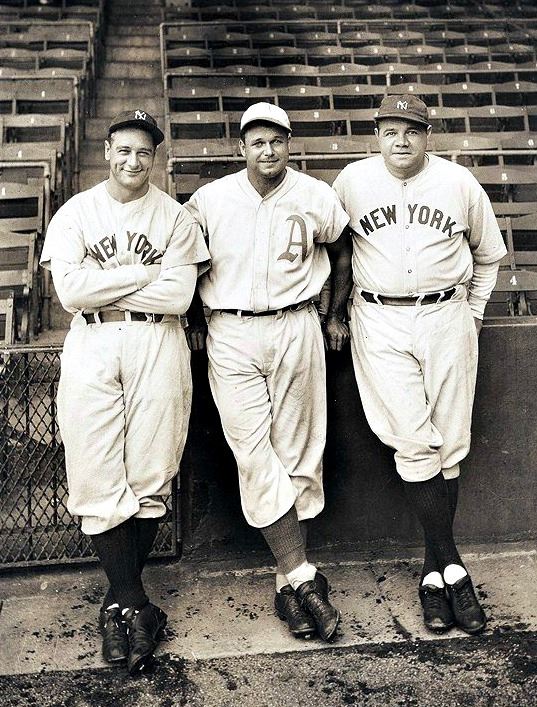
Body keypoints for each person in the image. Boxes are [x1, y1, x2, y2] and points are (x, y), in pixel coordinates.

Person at [40, 109, 210, 674]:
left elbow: (180, 296)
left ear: (154, 157)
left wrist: (107, 282)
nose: (132, 161)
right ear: (107, 151)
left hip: (157, 341)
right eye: (123, 150)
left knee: (150, 472)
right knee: (95, 471)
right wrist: (143, 275)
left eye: (143, 152)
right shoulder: (76, 212)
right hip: (91, 342)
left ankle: (119, 607)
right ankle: (136, 603)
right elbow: (70, 291)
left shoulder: (176, 217)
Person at [331, 94, 506, 635]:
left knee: (449, 444)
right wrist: (336, 312)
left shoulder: (459, 184)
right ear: (376, 134)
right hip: (379, 318)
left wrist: (470, 315)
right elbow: (335, 253)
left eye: (411, 130)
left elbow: (488, 256)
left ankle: (434, 574)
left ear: (428, 135)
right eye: (390, 129)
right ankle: (452, 562)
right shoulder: (352, 183)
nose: (400, 140)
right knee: (413, 439)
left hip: (447, 315)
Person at [185, 102, 351, 642]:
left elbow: (342, 249)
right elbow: (186, 260)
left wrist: (333, 315)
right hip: (230, 329)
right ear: (242, 148)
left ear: (288, 143)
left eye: (277, 140)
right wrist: (194, 322)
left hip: (297, 323)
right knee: (254, 453)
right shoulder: (211, 200)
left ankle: (288, 586)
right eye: (257, 141)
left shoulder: (315, 194)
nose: (268, 150)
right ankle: (306, 574)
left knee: (300, 453)